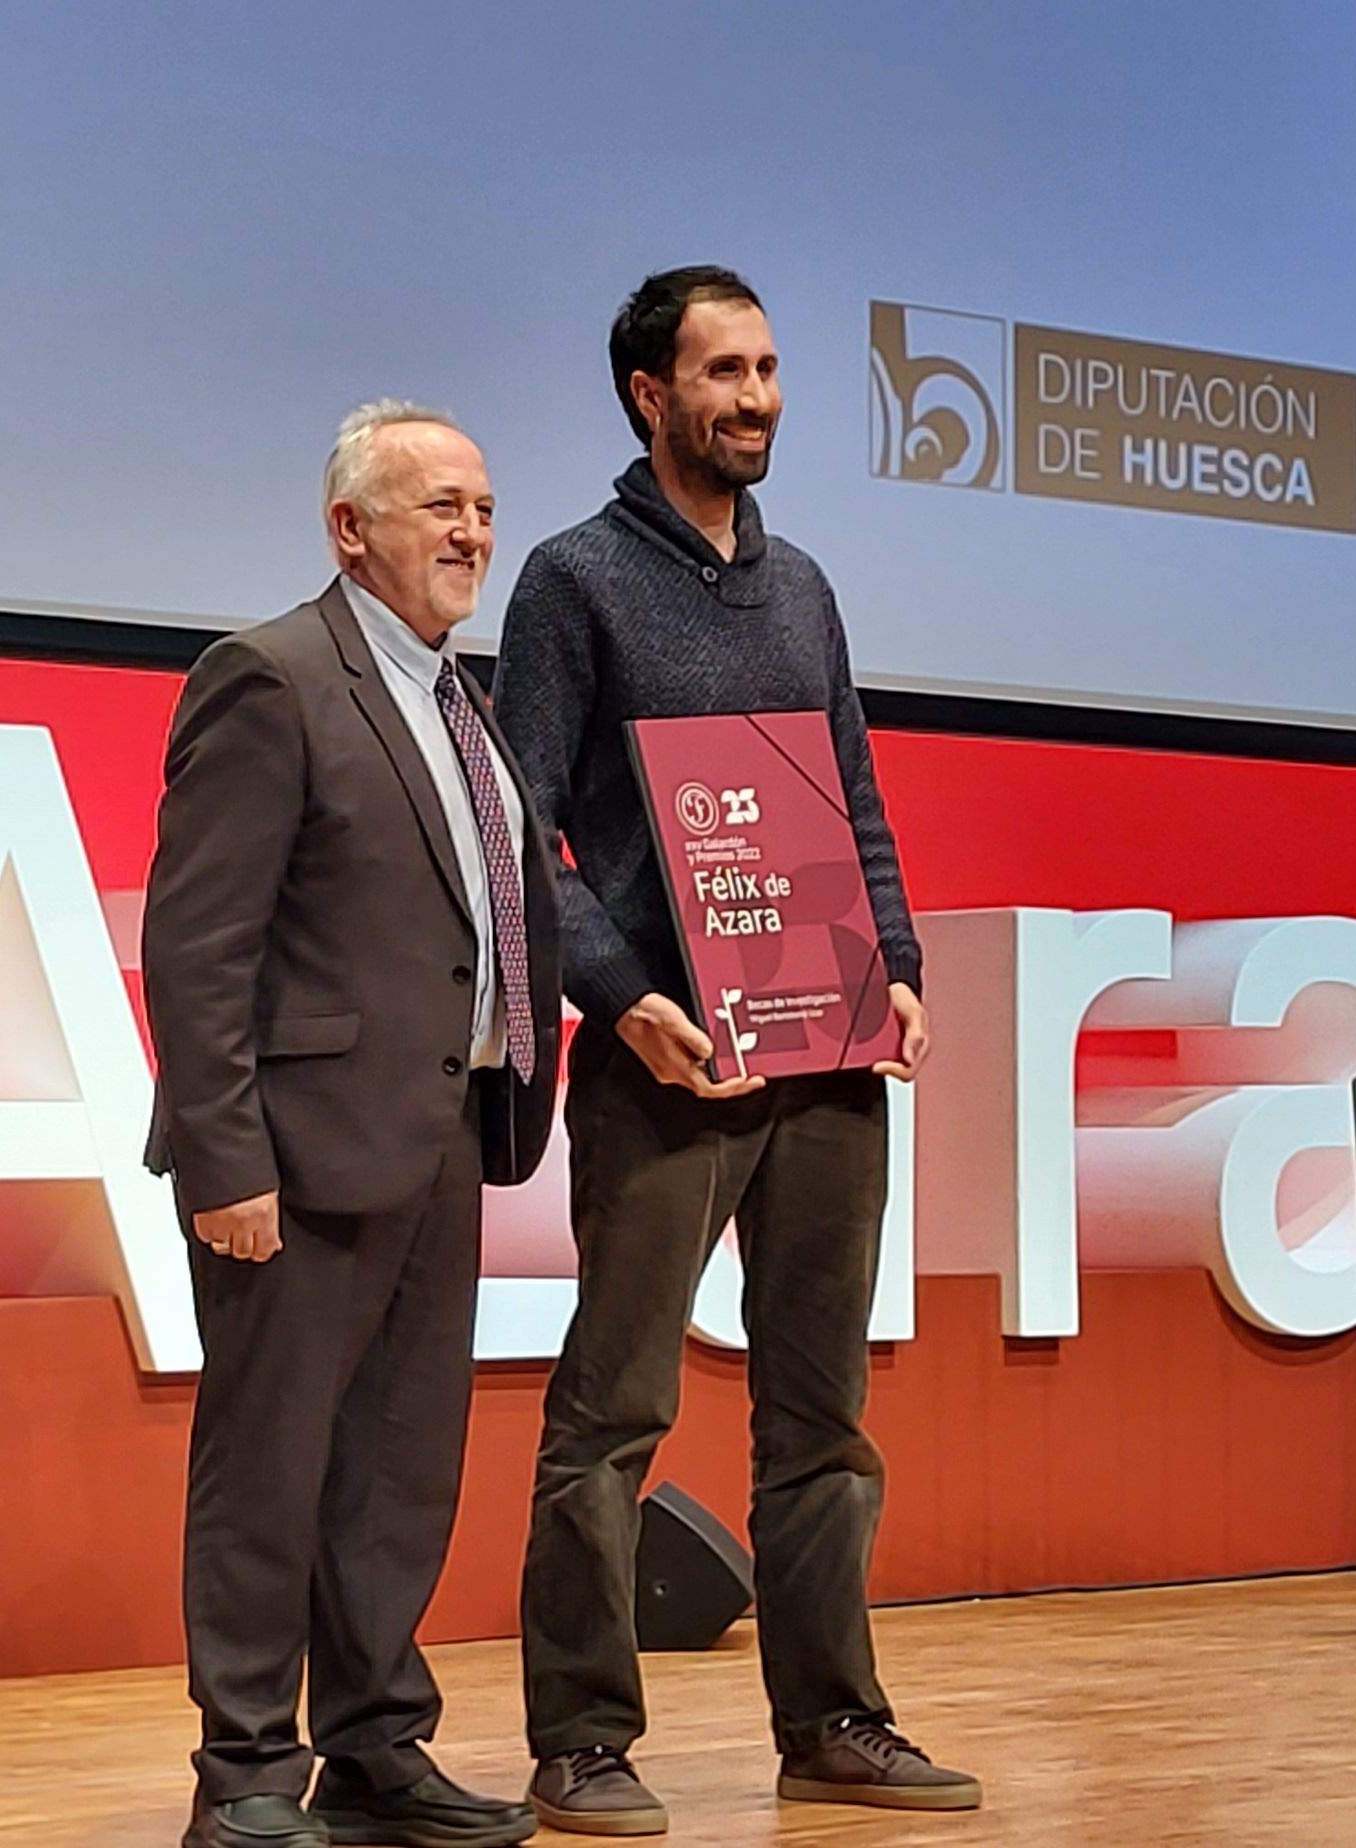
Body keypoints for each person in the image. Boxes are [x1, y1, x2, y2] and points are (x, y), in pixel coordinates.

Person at [495, 266, 974, 1836]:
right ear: (651, 392)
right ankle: (579, 1740)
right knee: (614, 1414)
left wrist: (893, 964)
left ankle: (834, 1717)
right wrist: (622, 992)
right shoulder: (573, 582)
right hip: (669, 1071)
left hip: (829, 1062)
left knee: (823, 1418)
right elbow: (520, 831)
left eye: (769, 370)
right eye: (726, 372)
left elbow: (853, 799)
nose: (757, 398)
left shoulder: (807, 587)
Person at [144, 400, 560, 1848]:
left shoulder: (462, 701)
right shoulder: (269, 678)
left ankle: (378, 1746)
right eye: (439, 505)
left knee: (398, 1464)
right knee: (269, 1466)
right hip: (297, 1152)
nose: (471, 534)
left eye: (484, 509)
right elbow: (200, 950)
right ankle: (248, 1772)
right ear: (350, 529)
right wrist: (224, 1155)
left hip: (439, 1132)